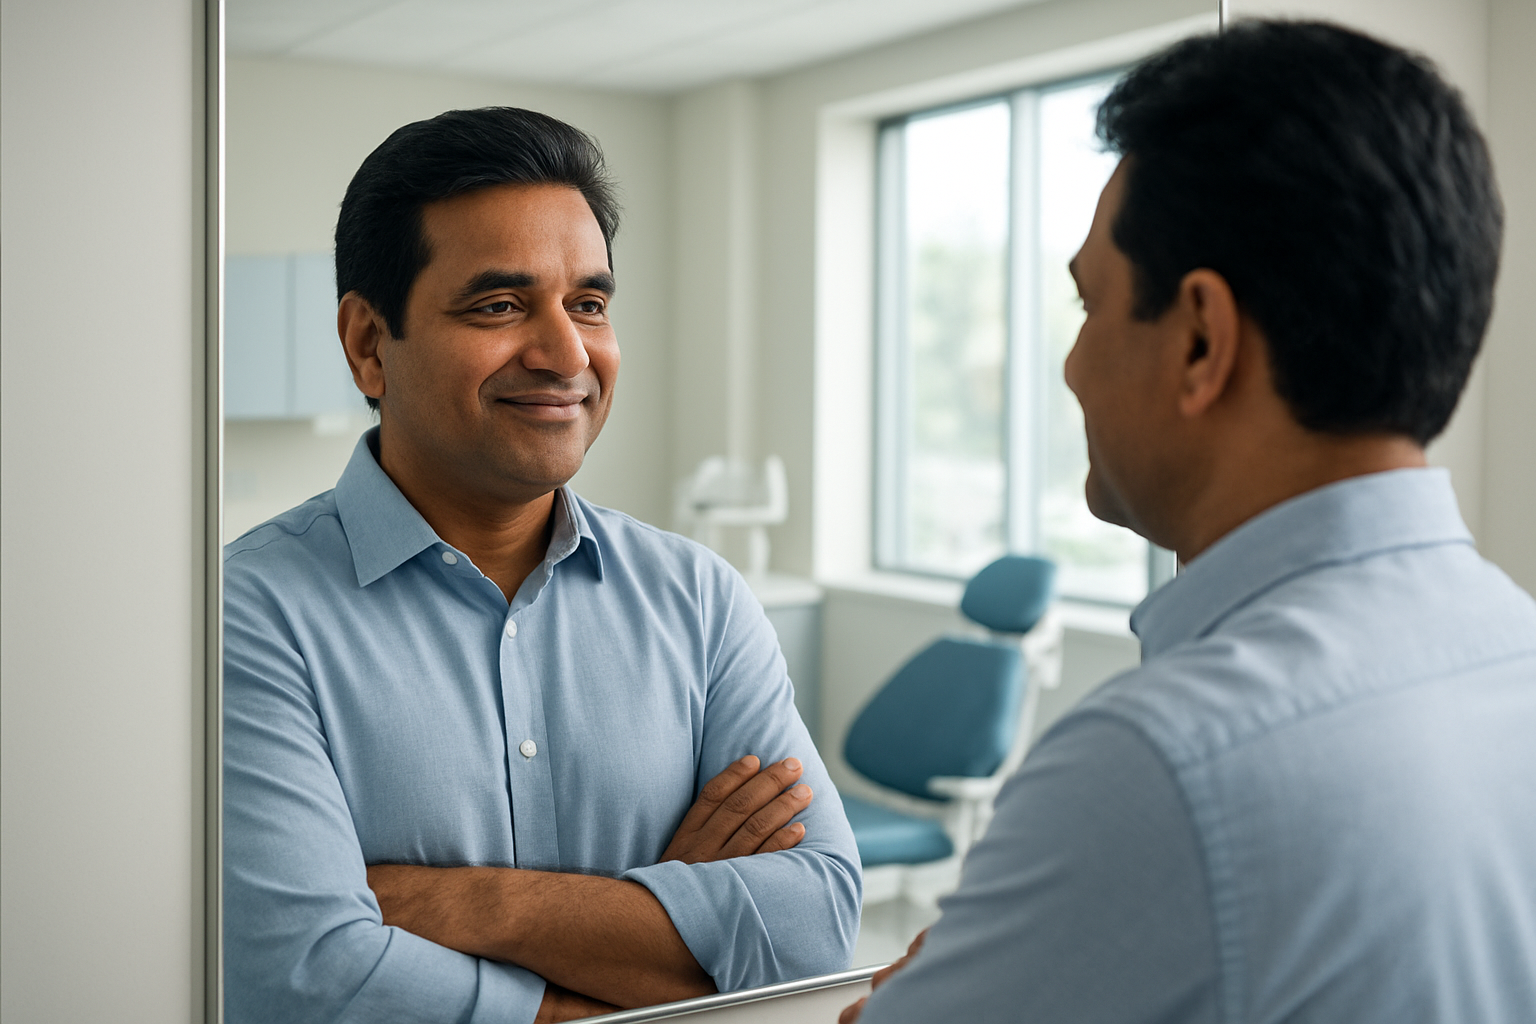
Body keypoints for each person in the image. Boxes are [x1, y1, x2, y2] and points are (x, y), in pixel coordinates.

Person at [846, 20, 1535, 1024]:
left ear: (1202, 338)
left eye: (1091, 306)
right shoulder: (1518, 651)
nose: (1074, 365)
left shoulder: (1160, 765)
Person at [223, 107, 860, 1024]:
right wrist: (665, 926)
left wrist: (462, 904)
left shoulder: (700, 601)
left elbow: (816, 932)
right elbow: (307, 979)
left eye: (589, 304)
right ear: (369, 344)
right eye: (499, 305)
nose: (567, 354)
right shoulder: (249, 615)